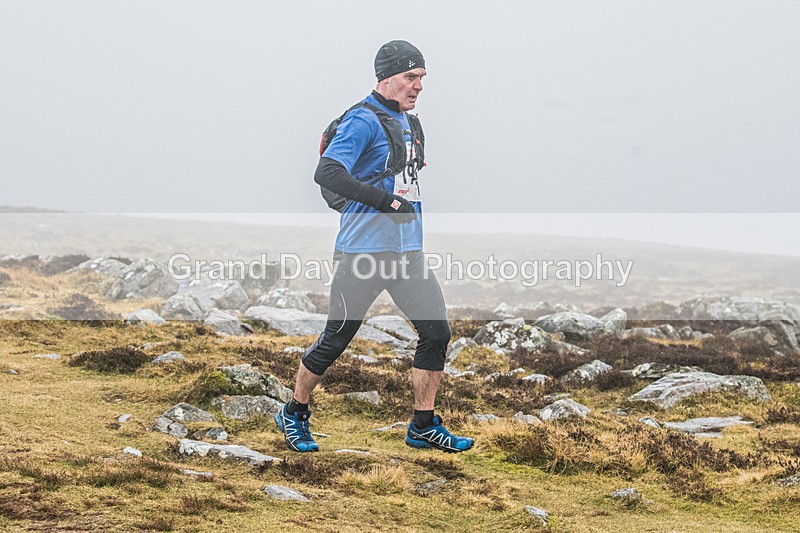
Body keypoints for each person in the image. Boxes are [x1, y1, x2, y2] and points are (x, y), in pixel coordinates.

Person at [274, 39, 474, 454]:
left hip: (407, 254)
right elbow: (326, 172)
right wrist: (386, 201)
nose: (418, 86)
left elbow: (406, 180)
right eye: (409, 77)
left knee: (436, 332)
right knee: (336, 338)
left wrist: (402, 206)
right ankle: (294, 411)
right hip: (361, 253)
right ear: (386, 77)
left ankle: (422, 424)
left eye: (421, 78)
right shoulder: (361, 121)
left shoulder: (411, 124)